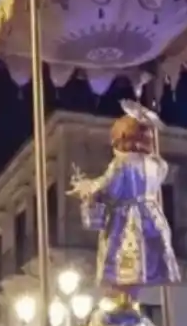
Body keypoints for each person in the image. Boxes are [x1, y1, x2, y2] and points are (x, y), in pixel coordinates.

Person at [67, 100, 180, 295]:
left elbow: (109, 187)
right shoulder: (158, 165)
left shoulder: (121, 163)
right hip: (151, 216)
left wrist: (87, 188)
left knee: (122, 265)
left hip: (127, 219)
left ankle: (124, 305)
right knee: (142, 265)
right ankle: (130, 303)